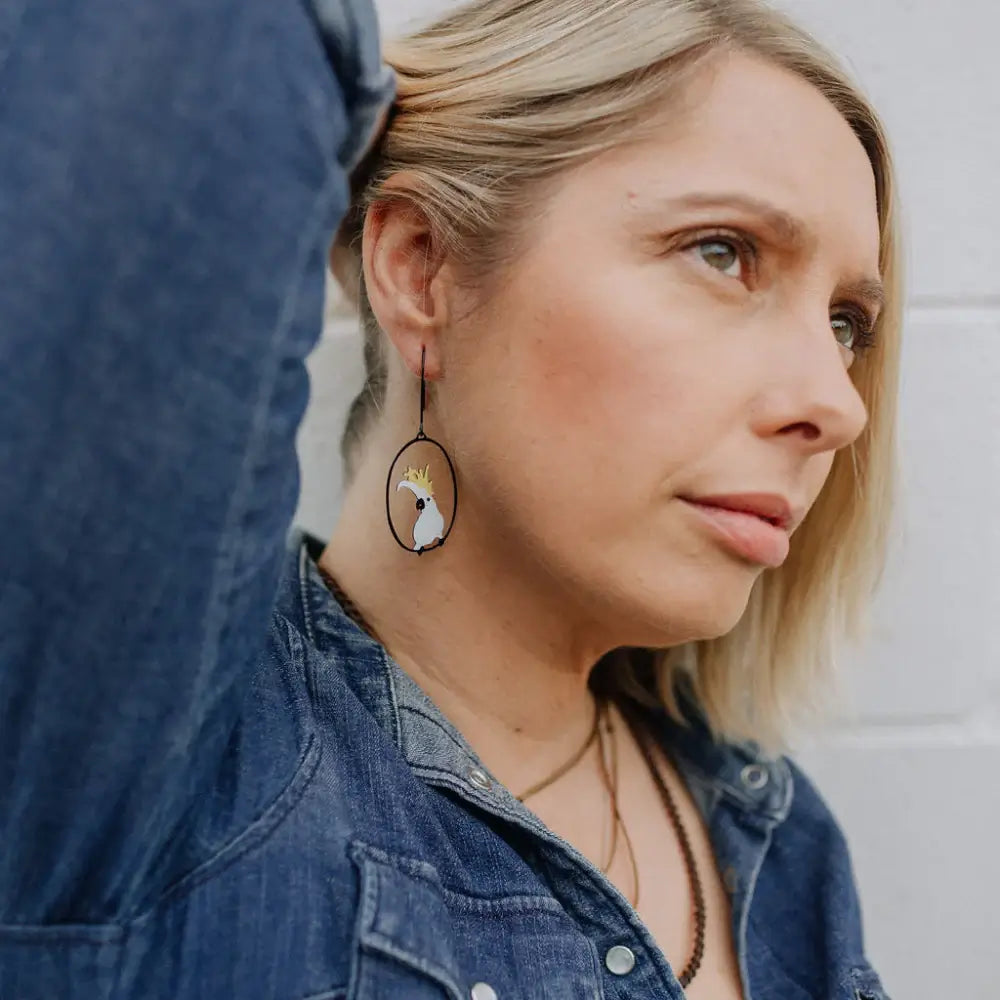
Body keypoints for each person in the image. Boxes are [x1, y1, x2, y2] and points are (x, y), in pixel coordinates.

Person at [0, 0, 902, 997]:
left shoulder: (782, 843)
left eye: (846, 320)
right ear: (421, 271)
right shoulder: (154, 760)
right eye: (722, 252)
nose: (834, 402)